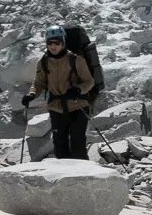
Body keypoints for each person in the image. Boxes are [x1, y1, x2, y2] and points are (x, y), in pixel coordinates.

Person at [21, 25, 96, 160]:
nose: (53, 46)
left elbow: (89, 81)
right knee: (60, 146)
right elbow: (39, 83)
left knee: (77, 143)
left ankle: (83, 175)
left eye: (57, 42)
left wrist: (78, 90)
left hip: (78, 105)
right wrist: (31, 94)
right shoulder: (43, 62)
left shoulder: (75, 60)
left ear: (63, 42)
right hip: (56, 107)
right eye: (50, 43)